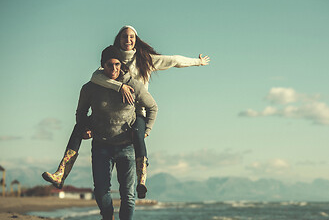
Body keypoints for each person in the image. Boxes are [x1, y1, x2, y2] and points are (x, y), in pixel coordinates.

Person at [42, 25, 210, 198]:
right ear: (118, 39)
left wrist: (197, 62)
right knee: (79, 127)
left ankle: (142, 182)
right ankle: (61, 173)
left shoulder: (146, 60)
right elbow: (96, 77)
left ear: (136, 40)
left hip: (137, 111)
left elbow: (174, 60)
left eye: (131, 37)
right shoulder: (111, 59)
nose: (128, 40)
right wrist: (120, 86)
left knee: (139, 133)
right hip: (110, 111)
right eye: (124, 37)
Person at [79, 45, 157, 220]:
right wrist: (85, 128)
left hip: (126, 147)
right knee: (100, 190)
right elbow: (81, 113)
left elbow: (152, 107)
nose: (113, 69)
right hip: (101, 145)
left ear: (121, 64)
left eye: (117, 64)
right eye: (109, 65)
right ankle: (108, 217)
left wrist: (146, 131)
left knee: (128, 195)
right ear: (102, 65)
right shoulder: (90, 88)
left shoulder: (134, 85)